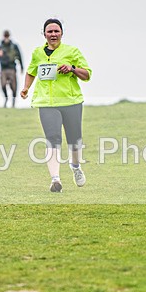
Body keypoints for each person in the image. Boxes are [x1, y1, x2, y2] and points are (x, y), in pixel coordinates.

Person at [20, 18, 92, 192]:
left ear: (62, 33)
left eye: (56, 31)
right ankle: (55, 180)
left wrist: (72, 68)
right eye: (50, 31)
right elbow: (31, 71)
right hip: (46, 103)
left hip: (70, 102)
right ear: (44, 34)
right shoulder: (38, 53)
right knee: (53, 139)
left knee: (74, 140)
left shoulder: (72, 51)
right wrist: (26, 88)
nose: (53, 34)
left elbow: (87, 74)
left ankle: (75, 167)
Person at [0, 30, 24, 107]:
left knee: (13, 86)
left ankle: (13, 101)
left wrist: (21, 67)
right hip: (3, 69)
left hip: (12, 68)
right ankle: (6, 98)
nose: (6, 38)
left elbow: (19, 56)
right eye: (5, 36)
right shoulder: (0, 47)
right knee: (3, 85)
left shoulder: (14, 46)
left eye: (7, 36)